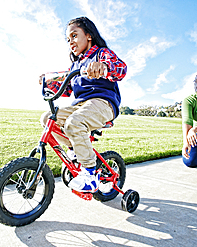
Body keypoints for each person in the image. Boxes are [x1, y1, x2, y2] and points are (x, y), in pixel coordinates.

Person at [39, 17, 127, 192]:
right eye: (68, 39)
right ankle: (74, 149)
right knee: (48, 118)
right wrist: (48, 82)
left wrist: (102, 66)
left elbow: (120, 69)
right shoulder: (76, 65)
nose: (71, 41)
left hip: (103, 103)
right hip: (81, 105)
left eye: (74, 35)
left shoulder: (101, 54)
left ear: (88, 35)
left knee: (74, 122)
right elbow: (66, 89)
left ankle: (89, 174)